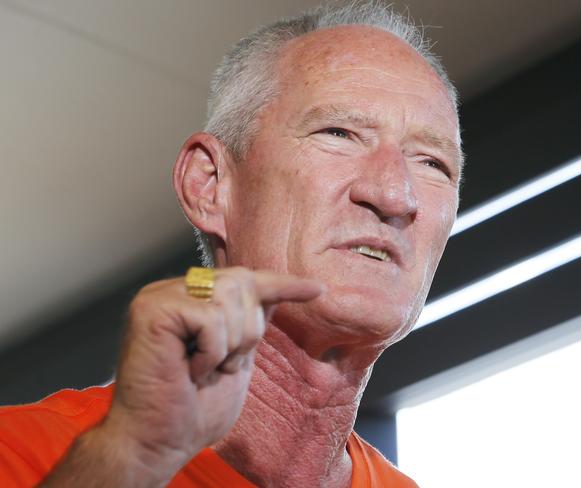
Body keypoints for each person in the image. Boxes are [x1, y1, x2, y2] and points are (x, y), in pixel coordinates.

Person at [0, 2, 463, 486]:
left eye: (433, 163)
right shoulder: (20, 454)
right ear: (209, 184)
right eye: (339, 133)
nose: (394, 194)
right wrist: (130, 459)